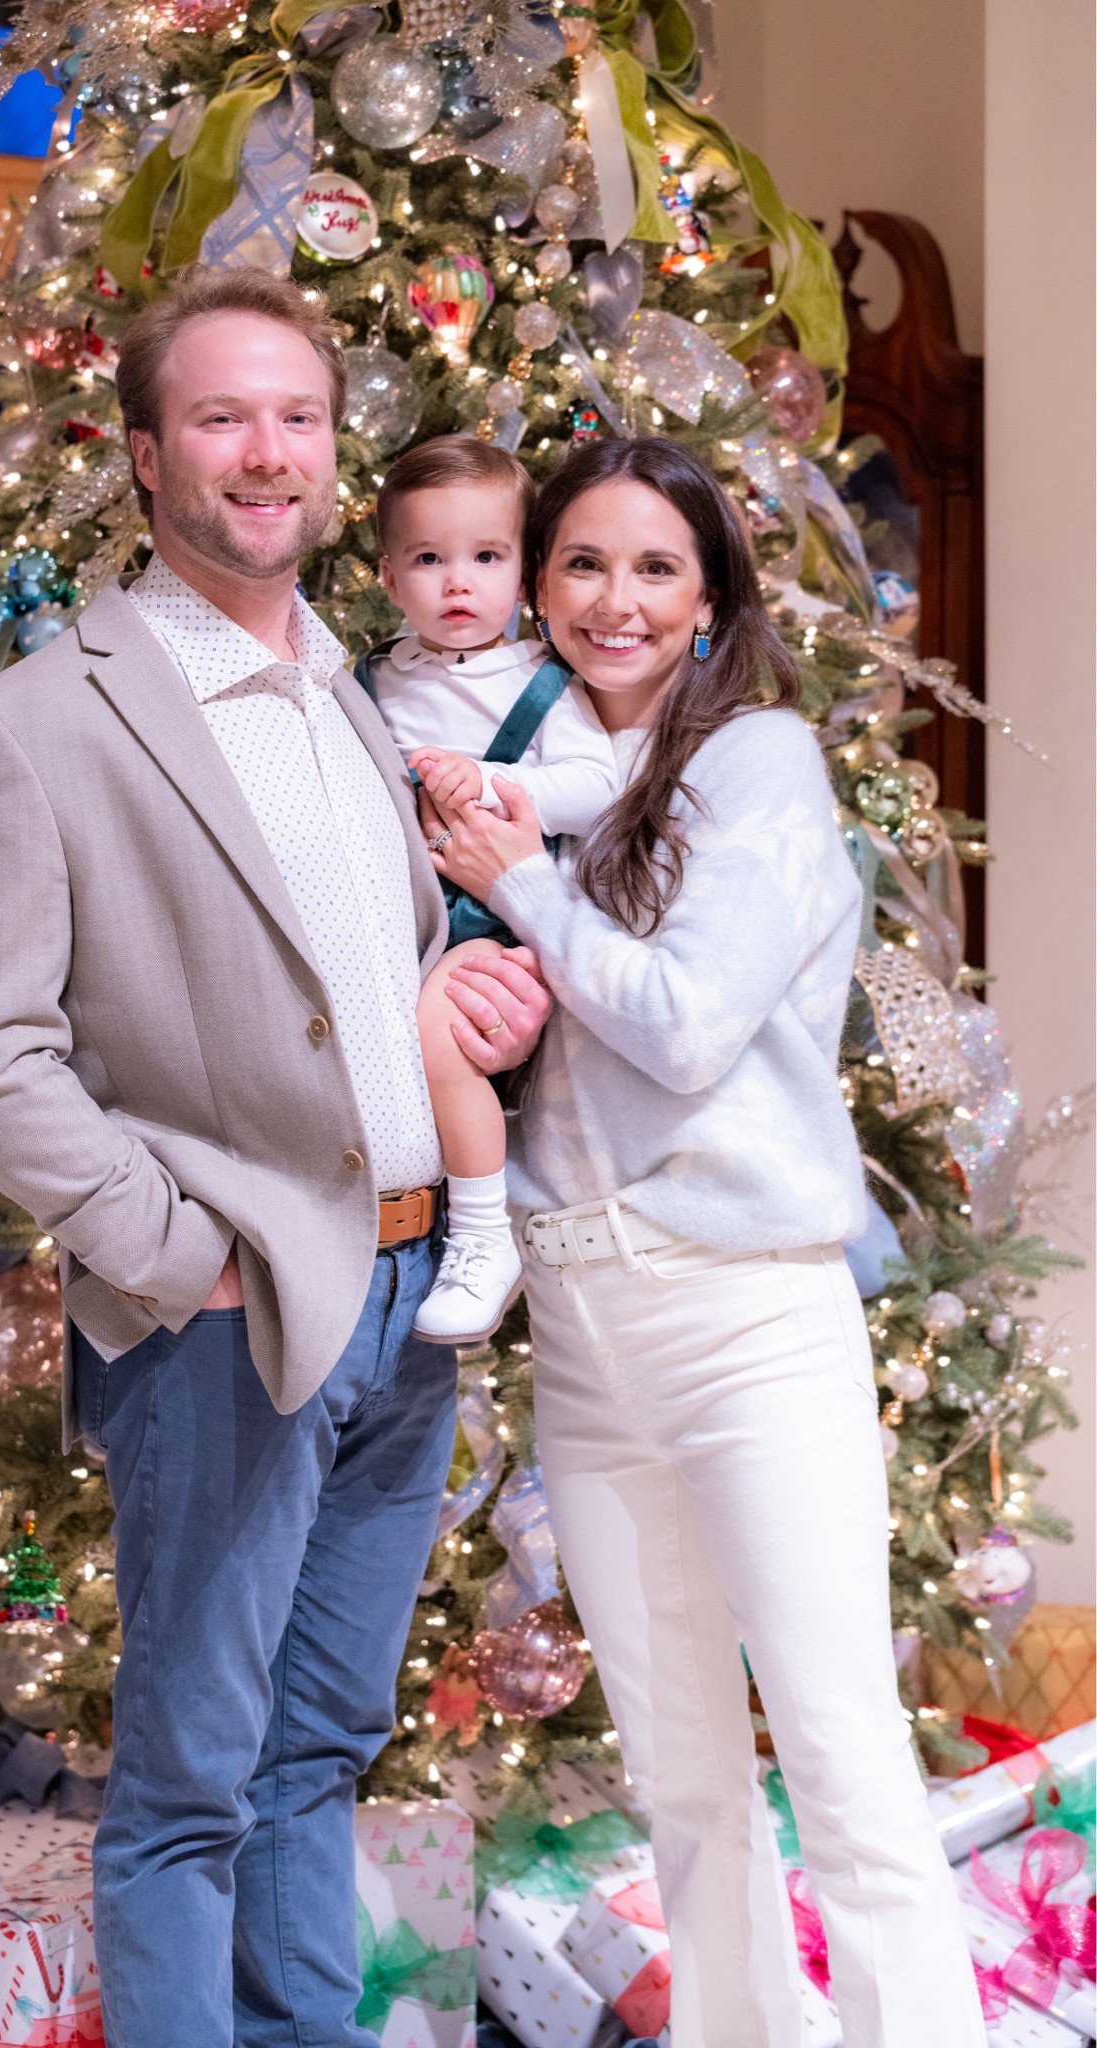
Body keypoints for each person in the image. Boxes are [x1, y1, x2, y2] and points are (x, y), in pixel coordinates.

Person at [0, 264, 550, 2048]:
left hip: (415, 1280)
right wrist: (168, 1243)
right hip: (231, 1315)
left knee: (321, 1746)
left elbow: (342, 985)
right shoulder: (41, 720)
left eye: (298, 417)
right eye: (220, 417)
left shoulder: (356, 696)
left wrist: (463, 1004)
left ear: (334, 451)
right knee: (193, 1778)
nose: (266, 454)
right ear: (144, 455)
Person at [424, 438, 988, 2047]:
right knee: (677, 1775)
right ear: (536, 583)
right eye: (580, 564)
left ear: (710, 594)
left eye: (655, 567)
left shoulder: (755, 764)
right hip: (586, 1327)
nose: (614, 600)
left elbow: (682, 1029)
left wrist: (519, 886)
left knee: (836, 1753)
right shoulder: (517, 765)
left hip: (744, 1314)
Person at [358, 437, 619, 1345]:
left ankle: (478, 1231)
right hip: (393, 920)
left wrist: (492, 784)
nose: (457, 582)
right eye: (430, 559)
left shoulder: (546, 684)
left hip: (493, 921)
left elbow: (600, 784)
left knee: (441, 1025)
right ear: (389, 576)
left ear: (526, 571)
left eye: (486, 557)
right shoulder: (370, 682)